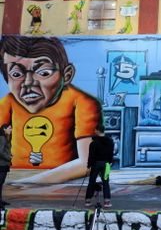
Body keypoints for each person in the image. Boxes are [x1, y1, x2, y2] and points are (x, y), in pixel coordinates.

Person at [0, 36, 102, 184]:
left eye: (43, 73)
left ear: (66, 75)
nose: (28, 83)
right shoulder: (8, 103)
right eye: (16, 74)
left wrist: (26, 184)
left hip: (62, 185)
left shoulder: (81, 102)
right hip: (17, 179)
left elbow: (87, 163)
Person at [85, 126, 114, 208]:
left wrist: (88, 166)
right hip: (106, 164)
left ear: (97, 130)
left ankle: (88, 201)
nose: (94, 131)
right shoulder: (110, 141)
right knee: (106, 183)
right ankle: (107, 202)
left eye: (95, 130)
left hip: (95, 164)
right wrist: (110, 162)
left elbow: (91, 156)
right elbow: (111, 153)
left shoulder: (93, 143)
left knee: (91, 182)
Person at [0, 123, 12, 209]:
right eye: (9, 128)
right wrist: (8, 157)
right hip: (2, 164)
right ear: (4, 129)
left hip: (4, 164)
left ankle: (0, 201)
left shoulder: (4, 138)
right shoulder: (2, 138)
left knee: (1, 183)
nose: (11, 130)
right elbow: (0, 152)